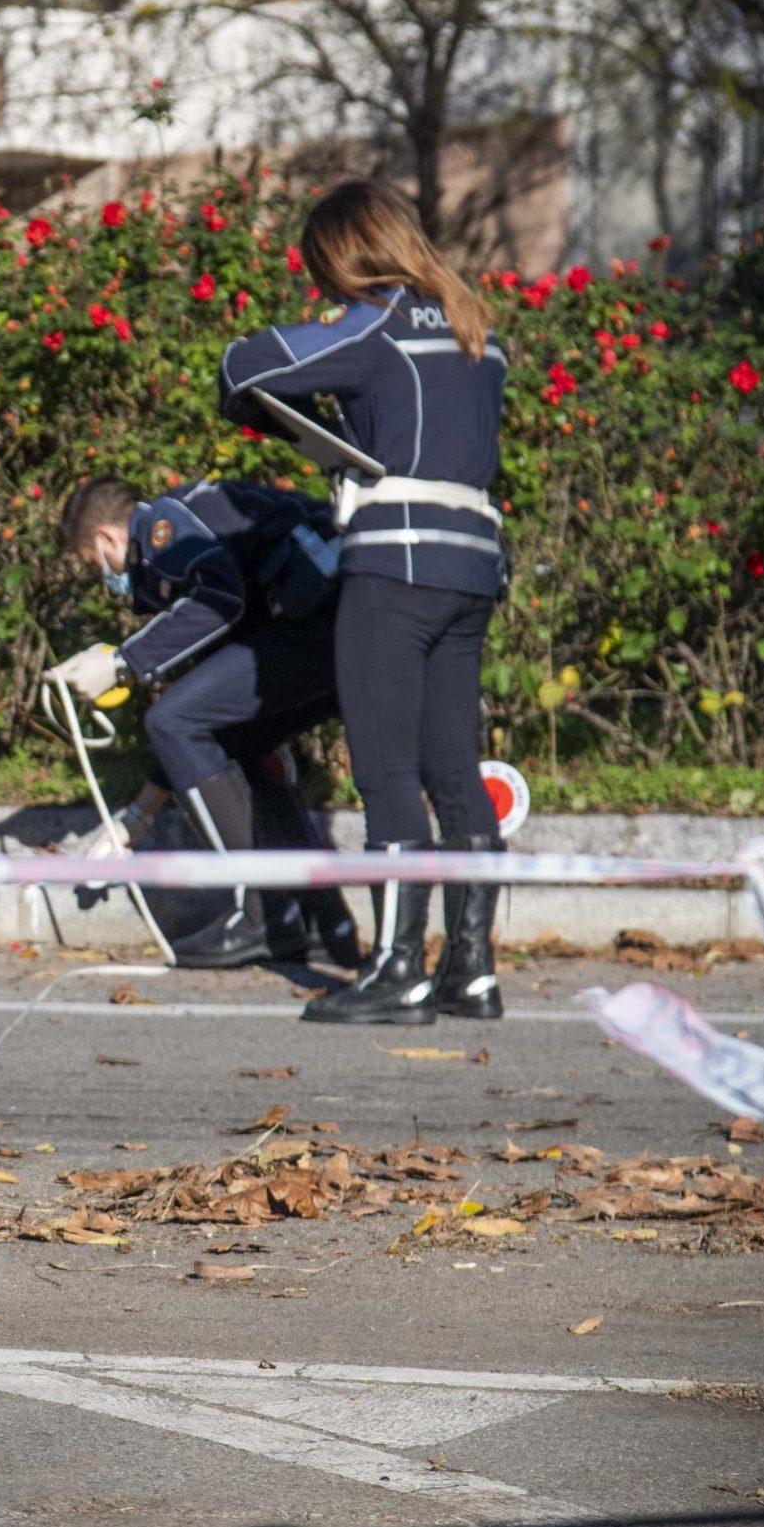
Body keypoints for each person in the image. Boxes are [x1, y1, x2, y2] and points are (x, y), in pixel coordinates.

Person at [219, 178, 509, 1025]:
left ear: (348, 254)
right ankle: (473, 968)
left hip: (394, 568)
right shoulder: (477, 330)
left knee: (385, 768)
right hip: (472, 567)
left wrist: (294, 420)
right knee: (455, 772)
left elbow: (247, 364)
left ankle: (396, 970)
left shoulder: (377, 321)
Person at [47, 477, 363, 969]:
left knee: (172, 719)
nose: (104, 577)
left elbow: (220, 599)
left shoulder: (164, 531)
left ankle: (263, 914)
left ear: (108, 540)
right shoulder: (201, 528)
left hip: (320, 622)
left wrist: (124, 662)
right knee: (239, 745)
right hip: (338, 621)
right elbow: (204, 723)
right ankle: (324, 923)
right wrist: (138, 817)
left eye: (95, 564)